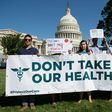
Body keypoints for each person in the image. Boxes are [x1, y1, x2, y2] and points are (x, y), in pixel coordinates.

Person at [18, 34, 39, 111]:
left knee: (32, 87)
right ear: (24, 40)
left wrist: (39, 56)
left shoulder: (35, 50)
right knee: (23, 87)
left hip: (32, 72)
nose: (27, 41)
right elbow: (17, 60)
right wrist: (9, 58)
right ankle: (24, 104)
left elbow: (39, 61)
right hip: (24, 72)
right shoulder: (20, 50)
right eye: (26, 40)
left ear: (31, 41)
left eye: (29, 40)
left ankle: (32, 103)